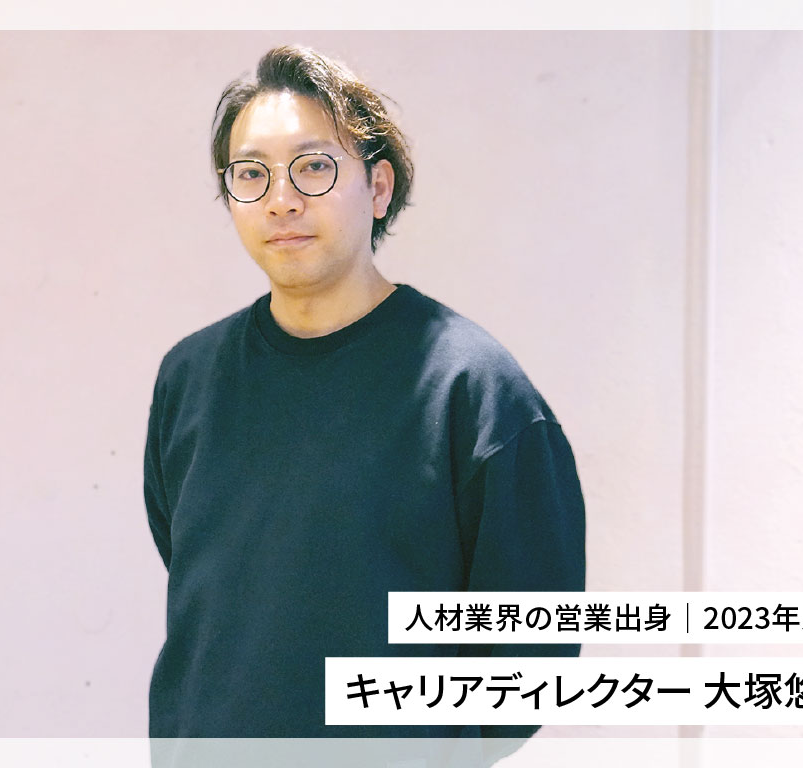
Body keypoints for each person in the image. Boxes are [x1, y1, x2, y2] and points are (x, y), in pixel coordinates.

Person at [143, 44, 585, 745]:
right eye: (251, 174)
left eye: (314, 167)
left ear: (378, 188)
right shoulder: (189, 378)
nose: (281, 199)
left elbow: (530, 653)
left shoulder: (473, 390)